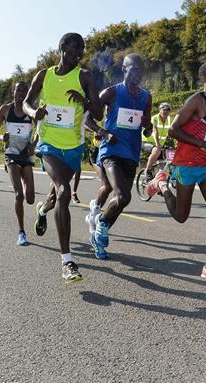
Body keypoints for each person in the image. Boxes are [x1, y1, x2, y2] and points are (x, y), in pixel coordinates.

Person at [23, 32, 101, 283]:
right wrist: (34, 112)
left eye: (83, 48)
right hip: (49, 144)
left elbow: (98, 112)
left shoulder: (85, 76)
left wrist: (86, 101)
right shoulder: (44, 75)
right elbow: (26, 102)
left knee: (56, 195)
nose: (80, 52)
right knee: (65, 191)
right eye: (75, 46)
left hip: (74, 147)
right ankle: (67, 261)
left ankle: (43, 210)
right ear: (62, 47)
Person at [145, 62, 206, 283]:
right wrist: (204, 144)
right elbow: (174, 130)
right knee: (181, 216)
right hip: (186, 164)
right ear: (205, 78)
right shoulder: (196, 100)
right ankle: (162, 184)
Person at [84, 53, 152, 260]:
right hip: (111, 151)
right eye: (134, 69)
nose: (138, 74)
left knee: (121, 201)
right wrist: (104, 133)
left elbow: (147, 127)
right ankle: (101, 224)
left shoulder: (146, 97)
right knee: (123, 195)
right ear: (124, 69)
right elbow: (87, 120)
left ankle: (99, 232)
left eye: (141, 70)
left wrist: (148, 127)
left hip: (131, 153)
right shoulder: (112, 92)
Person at [0, 81, 37, 246]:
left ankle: (40, 210)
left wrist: (33, 144)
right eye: (18, 89)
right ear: (13, 91)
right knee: (19, 195)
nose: (21, 92)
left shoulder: (30, 109)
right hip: (11, 153)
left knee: (30, 199)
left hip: (26, 154)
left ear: (27, 94)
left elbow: (40, 128)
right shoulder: (5, 109)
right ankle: (21, 232)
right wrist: (0, 136)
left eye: (24, 91)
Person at [143, 102, 174, 179]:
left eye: (168, 110)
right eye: (163, 110)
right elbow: (155, 131)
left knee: (162, 165)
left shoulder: (170, 120)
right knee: (156, 150)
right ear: (160, 110)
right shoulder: (155, 118)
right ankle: (148, 170)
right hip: (146, 142)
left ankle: (159, 181)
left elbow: (174, 132)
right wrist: (157, 144)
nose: (165, 112)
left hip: (159, 145)